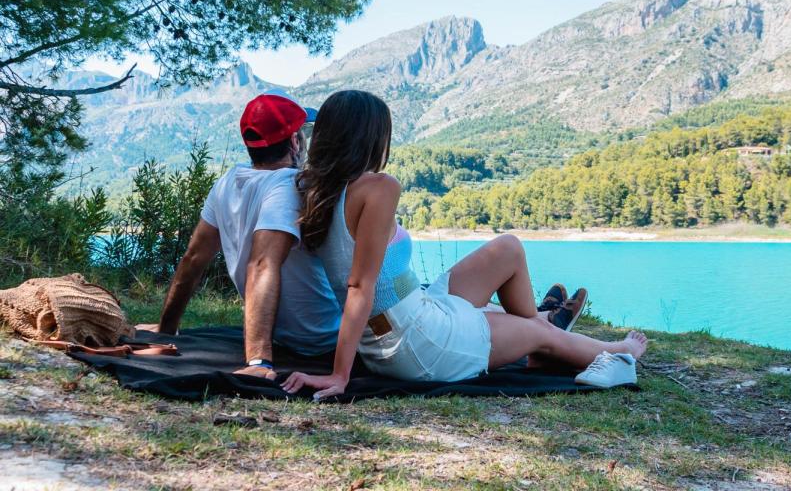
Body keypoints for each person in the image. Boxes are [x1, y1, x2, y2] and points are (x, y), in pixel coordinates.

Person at [281, 90, 647, 399]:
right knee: (537, 332)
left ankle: (539, 329)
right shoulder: (378, 187)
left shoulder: (314, 190)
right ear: (373, 138)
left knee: (508, 248)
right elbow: (360, 285)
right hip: (417, 342)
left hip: (408, 316)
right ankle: (605, 347)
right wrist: (339, 376)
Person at [142, 90, 341, 379]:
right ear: (295, 142)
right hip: (324, 341)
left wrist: (167, 328)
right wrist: (258, 362)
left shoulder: (227, 182)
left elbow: (193, 258)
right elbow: (262, 264)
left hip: (284, 337)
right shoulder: (287, 186)